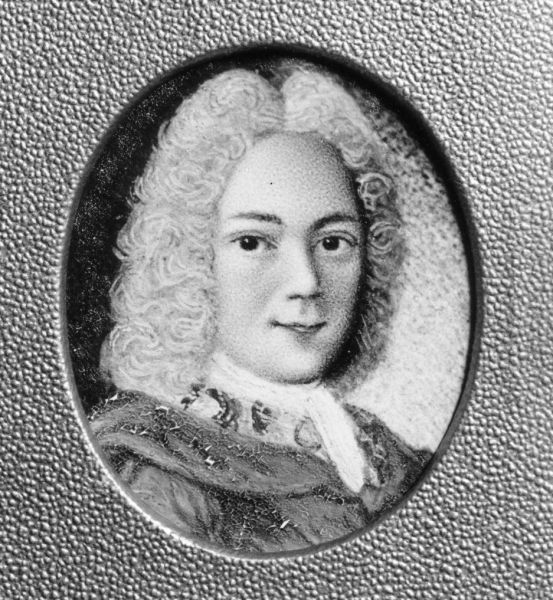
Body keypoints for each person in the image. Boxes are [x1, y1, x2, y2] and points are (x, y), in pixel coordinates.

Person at [90, 65, 431, 554]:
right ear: (193, 257)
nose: (307, 281)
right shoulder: (150, 470)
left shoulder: (394, 460)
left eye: (333, 242)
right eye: (253, 242)